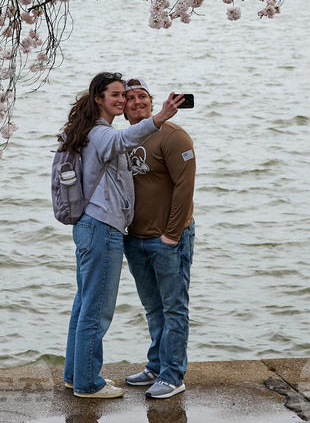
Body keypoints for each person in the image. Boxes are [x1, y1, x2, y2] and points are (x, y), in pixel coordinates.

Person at [60, 72, 184, 399]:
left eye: (123, 95)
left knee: (84, 305)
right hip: (101, 227)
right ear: (98, 99)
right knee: (96, 310)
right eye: (115, 95)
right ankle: (89, 383)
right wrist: (159, 118)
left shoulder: (89, 130)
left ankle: (75, 375)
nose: (121, 99)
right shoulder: (101, 133)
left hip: (90, 226)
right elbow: (122, 141)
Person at [121, 77, 196, 400]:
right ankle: (156, 366)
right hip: (135, 239)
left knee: (173, 308)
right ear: (122, 107)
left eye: (142, 96)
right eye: (130, 98)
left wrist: (171, 235)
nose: (137, 102)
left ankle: (172, 375)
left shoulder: (173, 136)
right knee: (153, 308)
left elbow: (185, 187)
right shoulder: (124, 139)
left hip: (168, 239)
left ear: (152, 101)